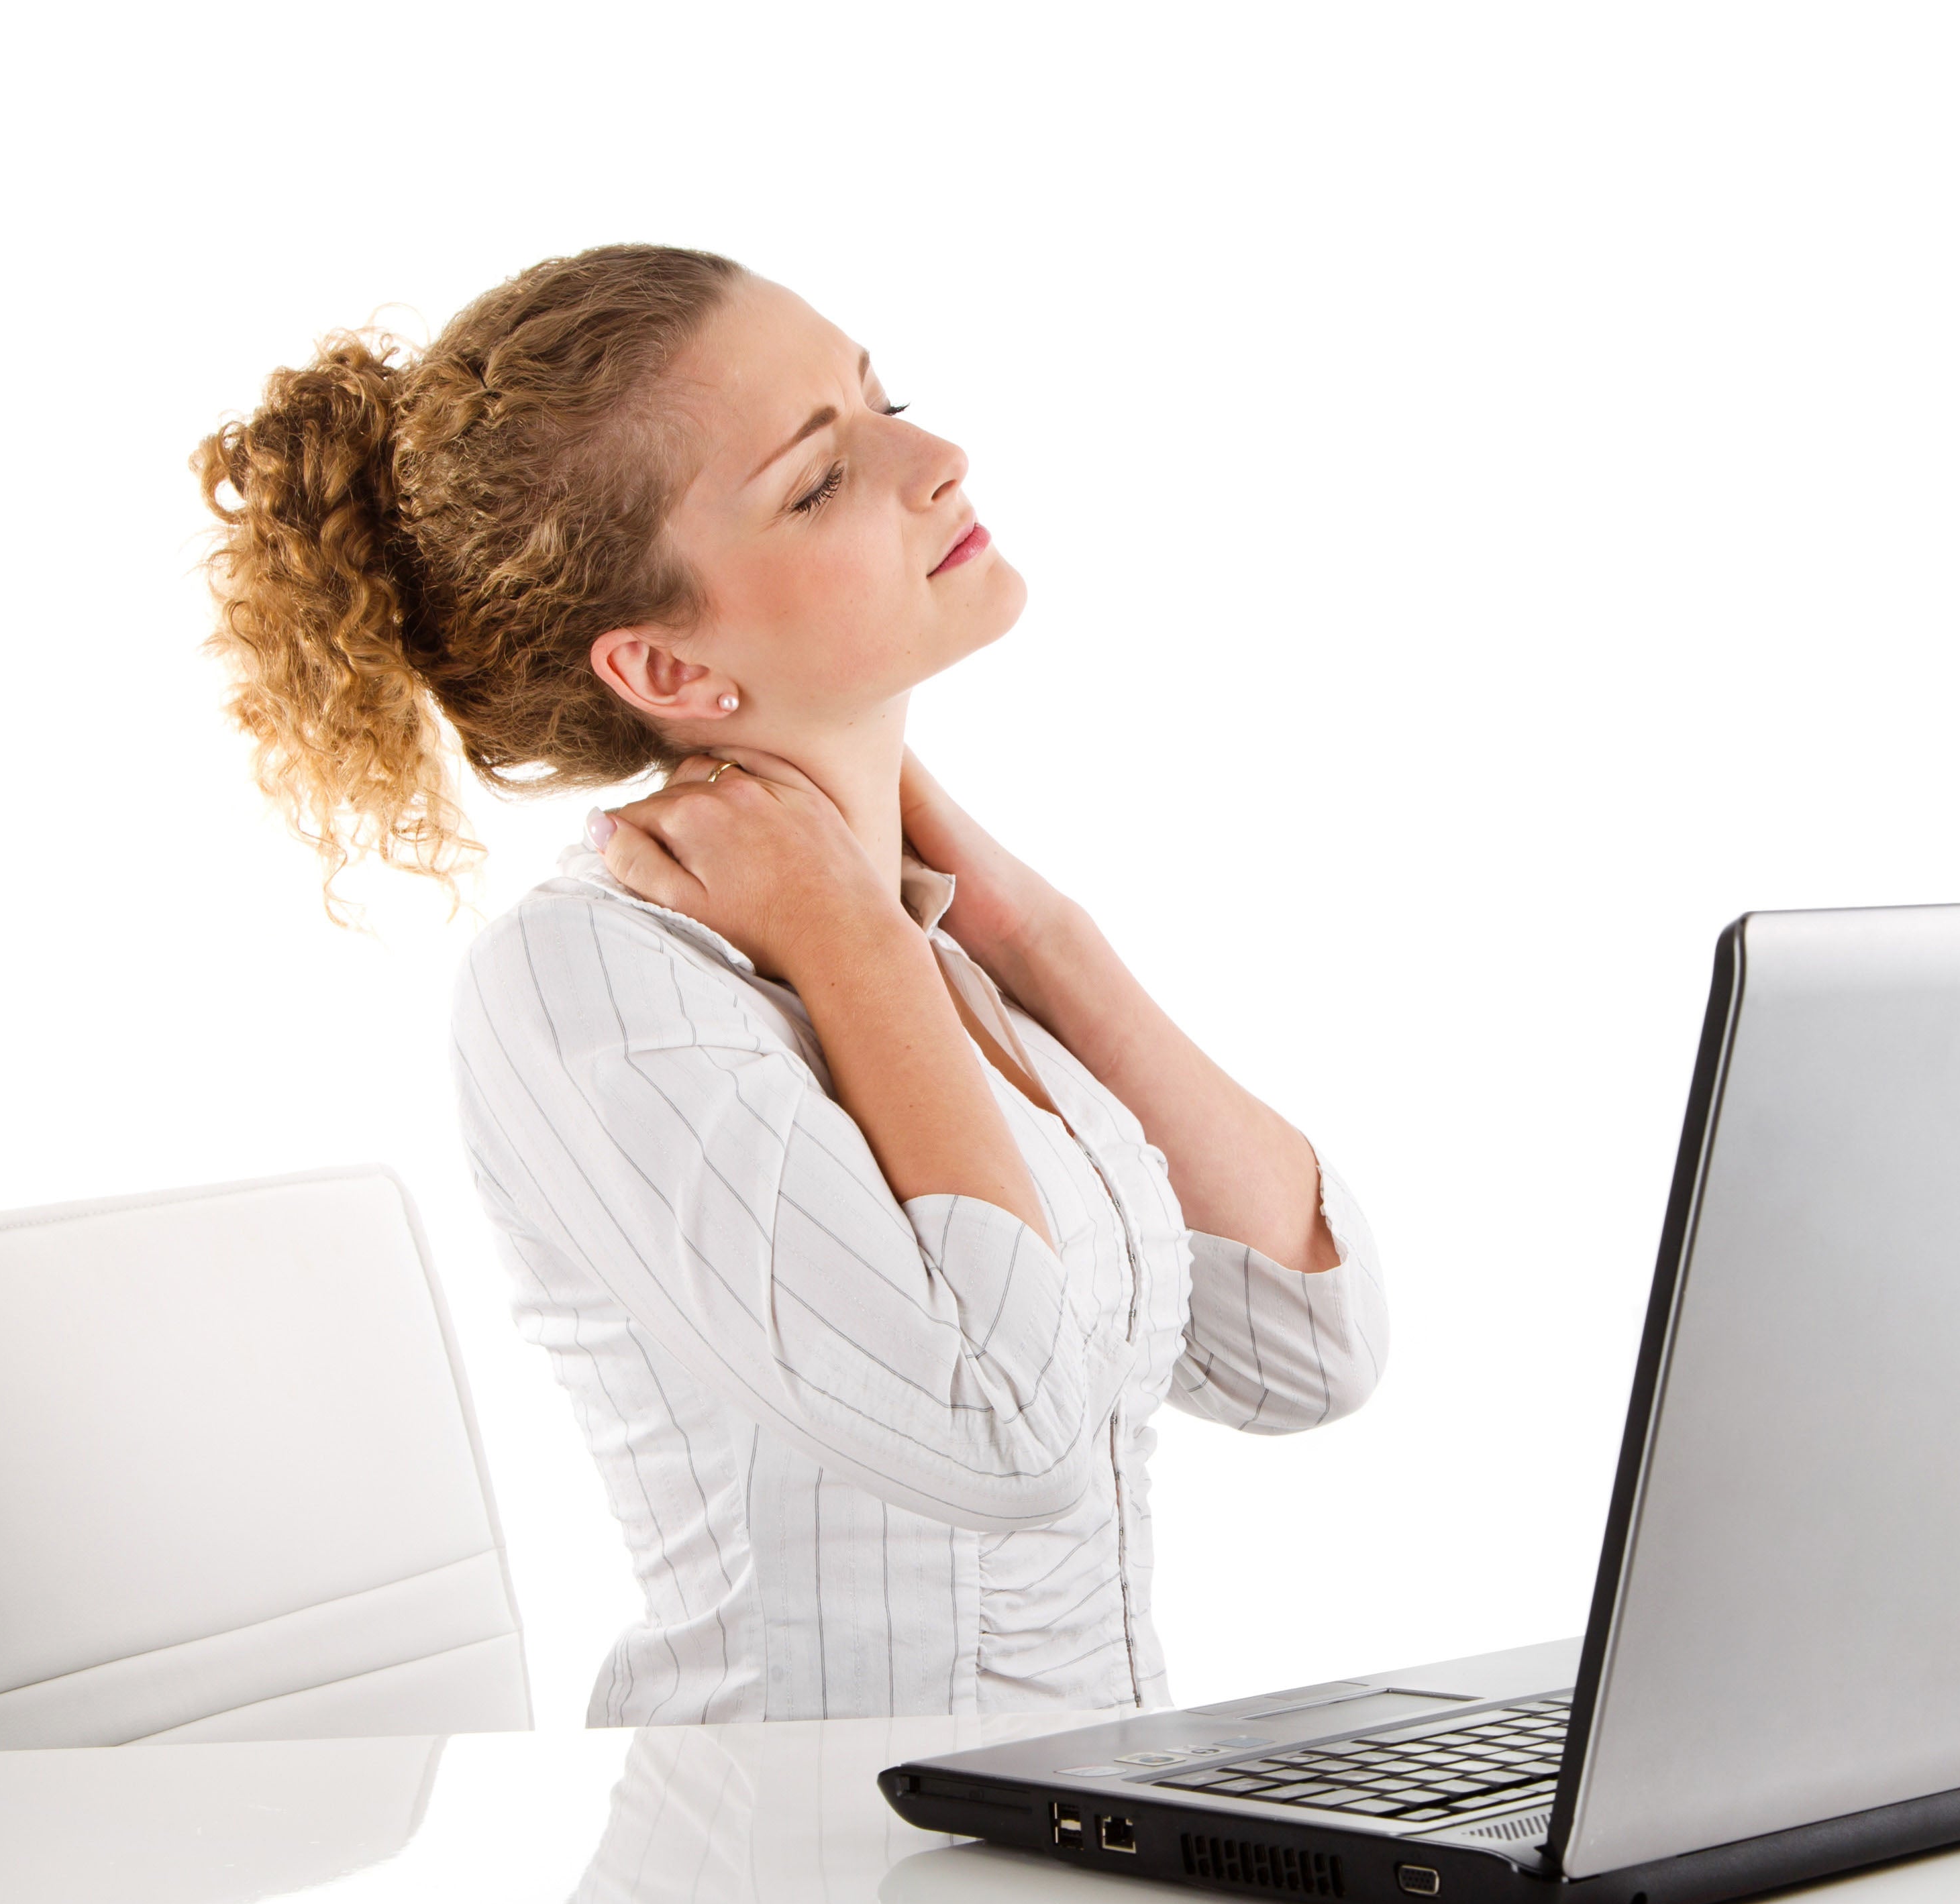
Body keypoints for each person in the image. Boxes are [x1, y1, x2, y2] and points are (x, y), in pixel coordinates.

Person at [193, 244, 1386, 1726]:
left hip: (1067, 1888)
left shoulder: (949, 948)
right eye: (819, 481)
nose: (939, 458)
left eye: (888, 402)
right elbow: (1008, 1435)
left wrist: (1034, 939)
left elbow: (1304, 1355)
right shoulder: (588, 987)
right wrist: (860, 950)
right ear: (672, 673)